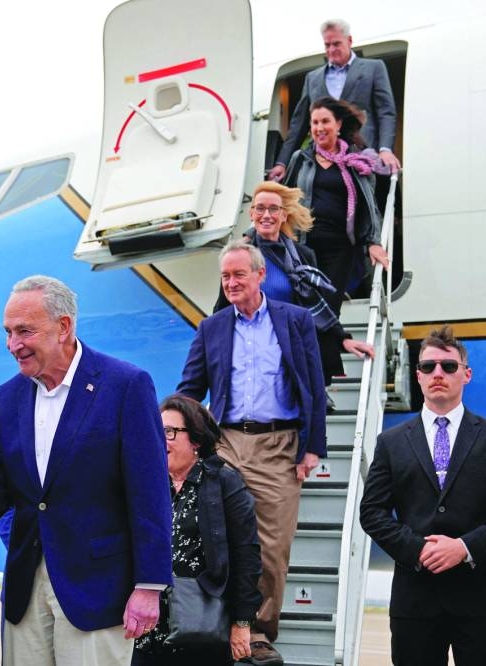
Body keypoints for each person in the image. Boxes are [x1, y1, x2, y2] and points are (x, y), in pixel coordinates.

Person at [0, 275, 172, 666]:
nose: (13, 345)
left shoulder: (125, 386)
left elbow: (149, 493)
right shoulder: (8, 397)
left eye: (25, 331)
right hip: (26, 588)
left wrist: (149, 586)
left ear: (63, 327)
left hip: (96, 590)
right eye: (9, 332)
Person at [177, 241, 327, 666]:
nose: (231, 283)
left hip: (278, 443)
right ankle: (215, 620)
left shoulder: (294, 320)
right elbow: (190, 388)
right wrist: (176, 433)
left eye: (239, 274)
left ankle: (259, 629)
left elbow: (314, 386)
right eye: (225, 276)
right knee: (208, 531)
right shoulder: (213, 327)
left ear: (260, 276)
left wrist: (312, 446)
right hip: (223, 440)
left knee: (273, 543)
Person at [359, 325, 486, 665]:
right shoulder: (392, 441)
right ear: (417, 376)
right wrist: (417, 549)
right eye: (428, 367)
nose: (438, 374)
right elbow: (371, 511)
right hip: (415, 600)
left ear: (467, 374)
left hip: (482, 601)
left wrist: (464, 548)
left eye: (449, 366)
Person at [133, 394, 262, 666]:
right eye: (156, 431)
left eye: (169, 432)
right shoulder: (146, 484)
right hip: (147, 628)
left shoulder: (224, 483)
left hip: (202, 626)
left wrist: (241, 622)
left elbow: (246, 555)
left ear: (196, 440)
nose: (160, 439)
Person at [219, 181, 375, 398]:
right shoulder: (238, 256)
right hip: (252, 354)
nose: (267, 215)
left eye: (274, 209)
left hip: (295, 352)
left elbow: (316, 306)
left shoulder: (302, 255)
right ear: (251, 213)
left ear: (284, 215)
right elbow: (222, 308)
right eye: (260, 208)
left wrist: (343, 339)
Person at [282, 97, 389, 319]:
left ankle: (327, 350)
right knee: (305, 311)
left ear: (338, 124)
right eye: (314, 123)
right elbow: (282, 199)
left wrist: (374, 242)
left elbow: (369, 207)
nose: (319, 128)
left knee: (328, 311)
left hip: (340, 249)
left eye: (325, 121)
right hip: (304, 246)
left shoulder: (355, 161)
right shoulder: (300, 159)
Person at [268, 18, 400, 182]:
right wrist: (282, 162)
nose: (331, 49)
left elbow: (386, 113)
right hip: (323, 160)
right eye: (327, 45)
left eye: (336, 44)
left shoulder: (374, 68)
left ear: (349, 40)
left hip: (363, 157)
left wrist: (385, 149)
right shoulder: (312, 78)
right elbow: (298, 125)